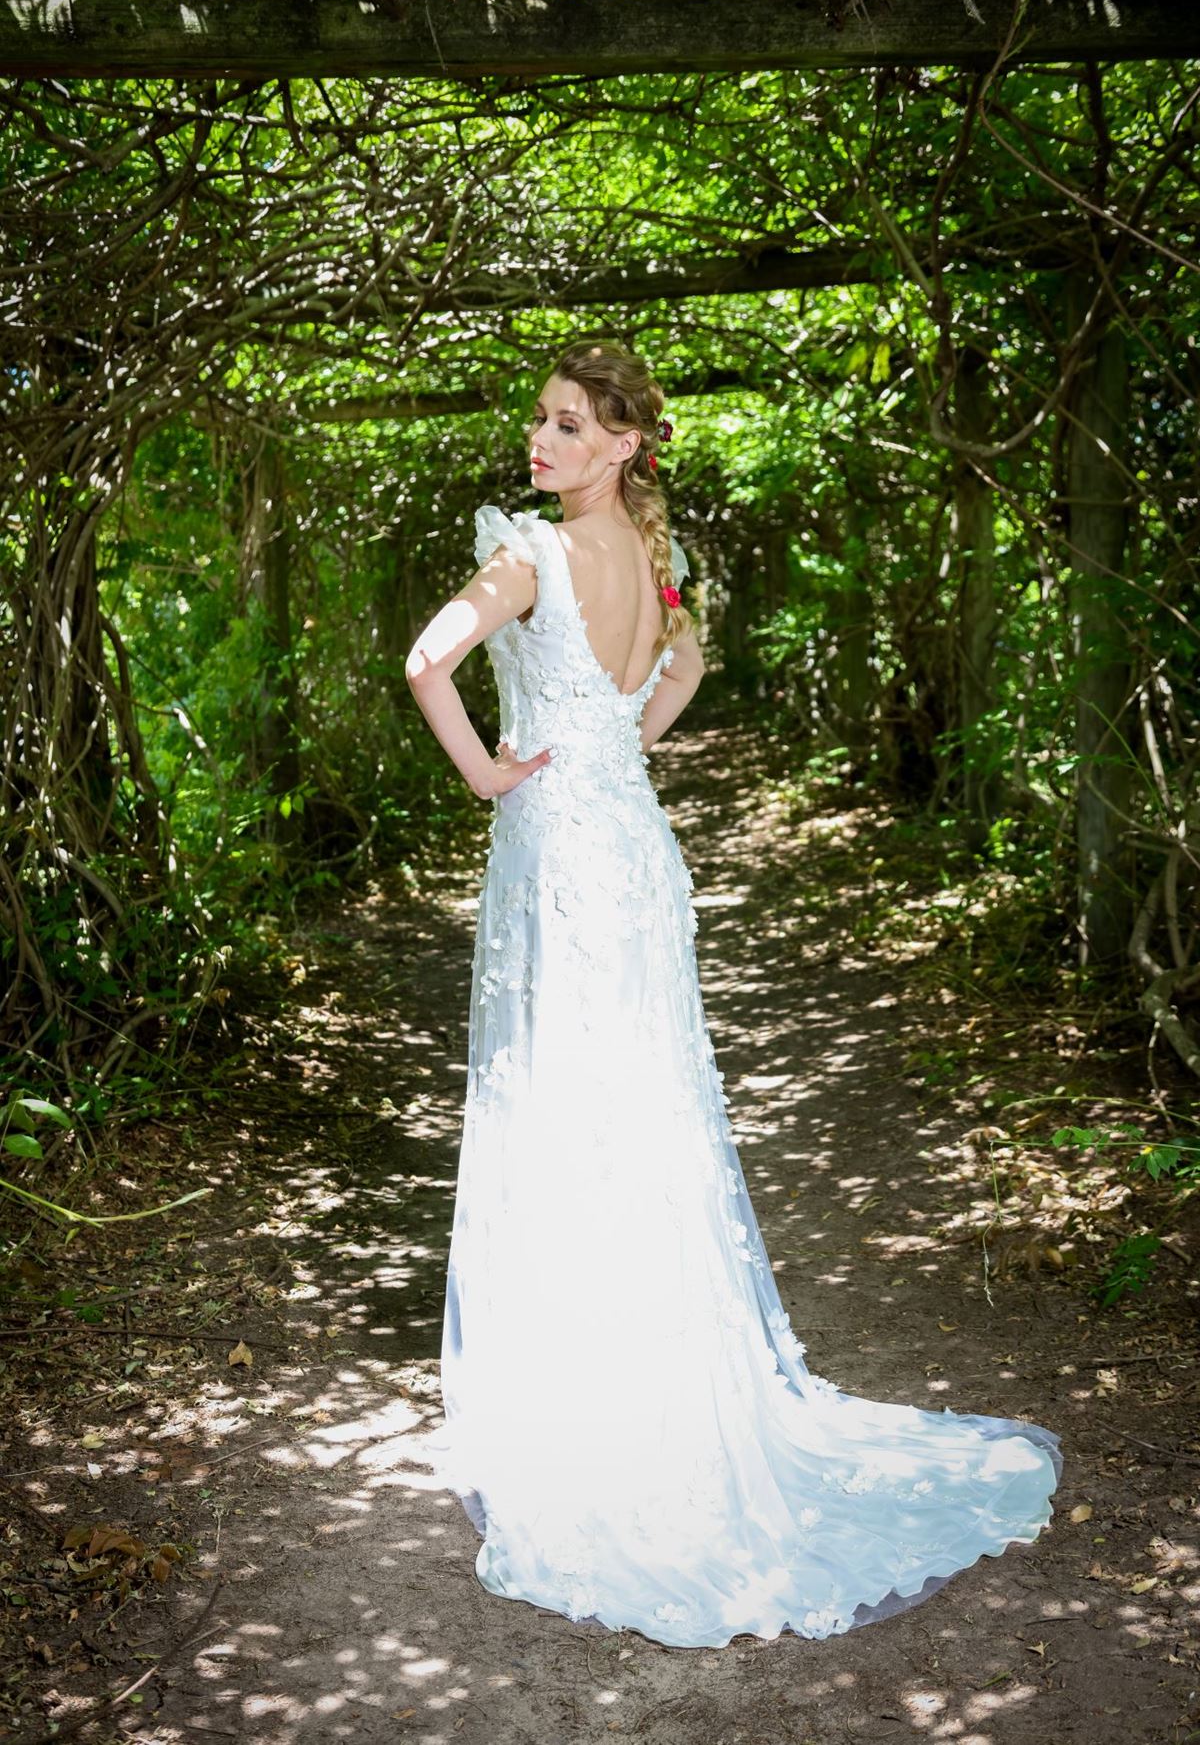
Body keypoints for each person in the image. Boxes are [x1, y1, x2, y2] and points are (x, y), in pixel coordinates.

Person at [404, 338, 1063, 1649]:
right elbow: (688, 666)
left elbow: (428, 660)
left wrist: (487, 774)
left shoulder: (527, 554)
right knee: (640, 1104)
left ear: (623, 444)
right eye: (540, 418)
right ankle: (656, 1377)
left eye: (570, 424)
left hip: (559, 853)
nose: (542, 439)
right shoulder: (653, 560)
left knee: (567, 1097)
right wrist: (617, 747)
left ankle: (584, 1392)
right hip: (631, 842)